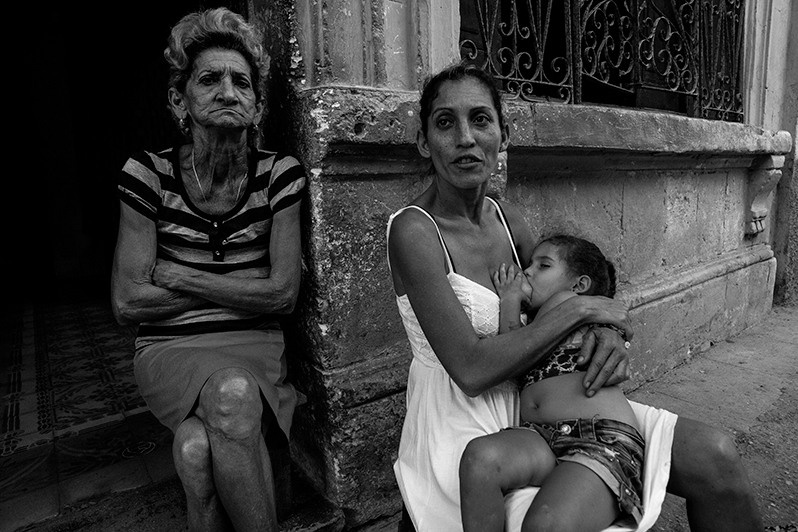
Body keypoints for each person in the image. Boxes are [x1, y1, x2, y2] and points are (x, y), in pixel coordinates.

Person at [386, 62, 763, 532]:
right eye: (445, 123)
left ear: (504, 133)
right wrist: (586, 311)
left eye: (480, 119)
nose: (465, 137)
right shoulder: (413, 231)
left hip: (549, 399)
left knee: (716, 457)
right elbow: (471, 370)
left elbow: (564, 290)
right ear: (424, 141)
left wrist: (605, 331)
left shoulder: (507, 219)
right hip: (464, 424)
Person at [110, 8, 306, 531]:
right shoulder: (147, 174)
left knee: (196, 449)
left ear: (257, 105)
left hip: (253, 344)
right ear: (179, 99)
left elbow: (284, 294)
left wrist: (179, 276)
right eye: (210, 79)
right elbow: (129, 302)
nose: (228, 91)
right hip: (168, 350)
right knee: (231, 396)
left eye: (241, 82)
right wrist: (243, 287)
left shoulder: (279, 176)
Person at [460, 235, 646, 531]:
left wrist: (510, 298)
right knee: (480, 459)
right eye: (529, 264)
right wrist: (514, 302)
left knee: (545, 524)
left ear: (579, 286)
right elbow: (514, 357)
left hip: (598, 438)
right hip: (544, 437)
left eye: (543, 266)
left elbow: (516, 350)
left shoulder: (568, 303)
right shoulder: (544, 321)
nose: (528, 272)